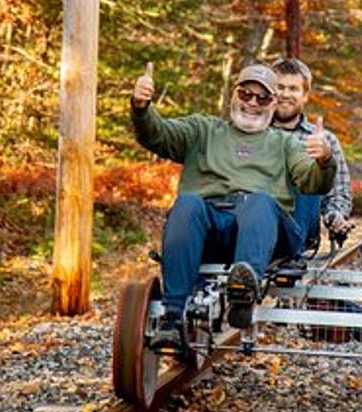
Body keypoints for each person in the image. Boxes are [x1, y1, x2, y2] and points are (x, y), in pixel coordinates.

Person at [130, 62, 336, 352]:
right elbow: (158, 134)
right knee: (188, 203)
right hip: (210, 222)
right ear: (233, 95)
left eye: (262, 98)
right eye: (246, 94)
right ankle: (173, 317)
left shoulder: (286, 143)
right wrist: (141, 108)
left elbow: (313, 181)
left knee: (261, 201)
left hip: (262, 228)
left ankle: (242, 293)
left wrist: (325, 160)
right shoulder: (203, 130)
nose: (252, 103)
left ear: (273, 104)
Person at [270, 58, 353, 251]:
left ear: (305, 95)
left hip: (299, 228)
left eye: (293, 89)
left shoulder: (323, 140)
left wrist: (335, 216)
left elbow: (339, 193)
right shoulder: (254, 133)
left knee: (304, 168)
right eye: (280, 87)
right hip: (257, 223)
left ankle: (292, 251)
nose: (285, 94)